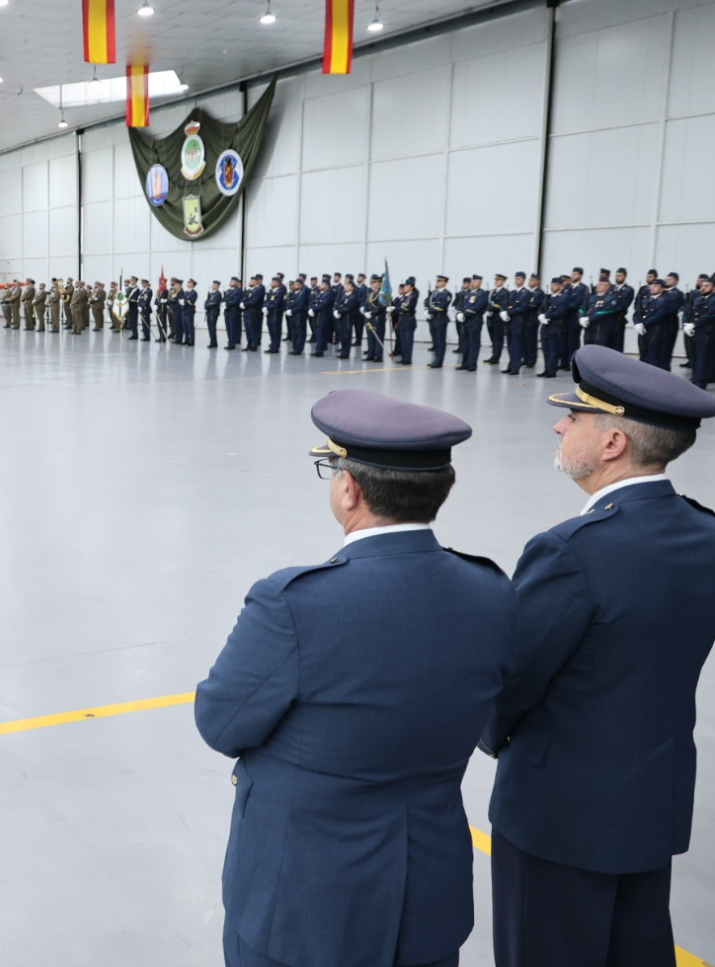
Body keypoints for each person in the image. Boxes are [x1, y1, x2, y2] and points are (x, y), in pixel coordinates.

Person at [197, 389, 514, 967]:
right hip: (427, 889)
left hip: (303, 898)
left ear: (349, 489)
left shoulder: (296, 602)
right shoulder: (491, 589)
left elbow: (221, 725)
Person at [481, 345, 715, 967]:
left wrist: (492, 734)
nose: (560, 425)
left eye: (575, 416)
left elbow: (512, 678)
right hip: (651, 799)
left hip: (559, 811)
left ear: (612, 442)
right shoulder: (705, 534)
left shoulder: (569, 551)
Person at [537, 277, 569, 379]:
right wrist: (540, 316)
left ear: (560, 286)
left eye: (555, 285)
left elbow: (560, 312)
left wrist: (546, 316)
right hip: (545, 326)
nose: (552, 287)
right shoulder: (548, 297)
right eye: (552, 285)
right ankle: (546, 369)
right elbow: (541, 309)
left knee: (553, 349)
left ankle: (552, 370)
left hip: (555, 326)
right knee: (545, 349)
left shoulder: (563, 297)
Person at [393, 278, 419, 366]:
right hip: (402, 321)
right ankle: (404, 358)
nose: (405, 287)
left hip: (409, 321)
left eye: (407, 285)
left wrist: (395, 309)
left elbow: (406, 307)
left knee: (408, 341)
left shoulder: (412, 296)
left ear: (412, 287)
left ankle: (407, 359)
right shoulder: (405, 296)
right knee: (403, 341)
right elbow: (399, 304)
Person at [243, 274, 266, 351]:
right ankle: (249, 344)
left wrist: (245, 304)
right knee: (248, 330)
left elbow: (254, 301)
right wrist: (242, 303)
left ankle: (254, 345)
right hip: (246, 312)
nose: (250, 282)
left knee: (253, 330)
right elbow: (244, 298)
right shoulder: (249, 290)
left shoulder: (258, 290)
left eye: (252, 281)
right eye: (250, 280)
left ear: (256, 282)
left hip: (253, 312)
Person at [222, 277, 244, 349]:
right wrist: (223, 303)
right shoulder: (228, 291)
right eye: (231, 281)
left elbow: (235, 301)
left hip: (234, 312)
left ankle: (232, 343)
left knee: (233, 328)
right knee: (228, 328)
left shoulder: (238, 291)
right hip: (227, 311)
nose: (231, 282)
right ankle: (230, 341)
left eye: (233, 281)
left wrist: (226, 303)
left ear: (237, 283)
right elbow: (224, 299)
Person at [205, 282, 224, 348]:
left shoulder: (218, 294)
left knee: (212, 328)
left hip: (213, 313)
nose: (213, 286)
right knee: (210, 328)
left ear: (218, 286)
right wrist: (206, 305)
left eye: (215, 285)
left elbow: (214, 302)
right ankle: (212, 341)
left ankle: (213, 342)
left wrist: (207, 305)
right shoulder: (211, 293)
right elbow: (207, 301)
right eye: (213, 284)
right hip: (209, 312)